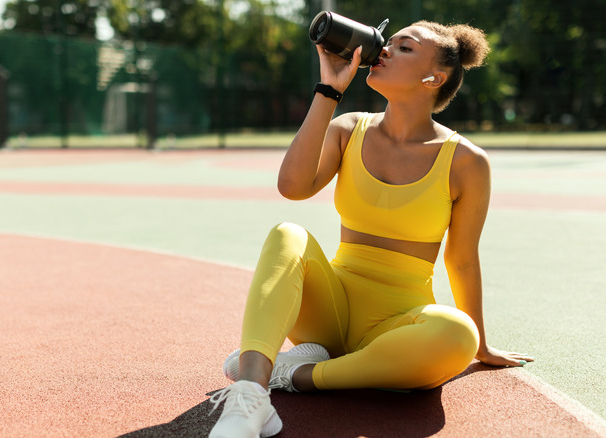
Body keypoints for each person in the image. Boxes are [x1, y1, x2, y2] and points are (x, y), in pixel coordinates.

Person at [208, 19, 534, 438]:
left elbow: (462, 258)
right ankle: (250, 395)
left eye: (404, 47)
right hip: (329, 314)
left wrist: (481, 346)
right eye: (388, 40)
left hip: (397, 327)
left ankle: (297, 375)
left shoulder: (466, 161)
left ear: (434, 77)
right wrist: (329, 90)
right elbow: (292, 187)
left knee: (458, 333)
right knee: (288, 232)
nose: (384, 48)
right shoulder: (348, 128)